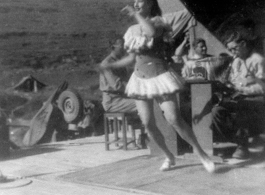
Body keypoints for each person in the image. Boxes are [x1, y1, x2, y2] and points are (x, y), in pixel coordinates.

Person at [101, 0, 215, 173]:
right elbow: (131, 59)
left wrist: (134, 14)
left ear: (150, 4)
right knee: (147, 123)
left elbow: (151, 32)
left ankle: (202, 154)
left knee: (174, 119)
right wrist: (110, 66)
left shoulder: (159, 22)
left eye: (141, 1)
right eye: (135, 1)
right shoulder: (131, 31)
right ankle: (169, 156)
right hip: (140, 80)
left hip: (160, 77)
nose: (137, 4)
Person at [211, 29, 265, 159]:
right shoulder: (236, 61)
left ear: (243, 44)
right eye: (231, 49)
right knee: (216, 111)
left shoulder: (257, 60)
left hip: (257, 99)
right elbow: (235, 80)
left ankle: (243, 146)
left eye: (235, 48)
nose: (233, 52)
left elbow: (263, 87)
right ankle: (241, 141)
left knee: (242, 106)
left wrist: (244, 89)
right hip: (240, 98)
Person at [99, 36, 147, 148]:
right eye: (122, 45)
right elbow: (117, 85)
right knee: (142, 103)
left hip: (121, 98)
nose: (125, 48)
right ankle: (146, 136)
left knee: (144, 101)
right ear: (113, 47)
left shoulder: (119, 62)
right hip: (112, 101)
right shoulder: (106, 63)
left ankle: (144, 136)